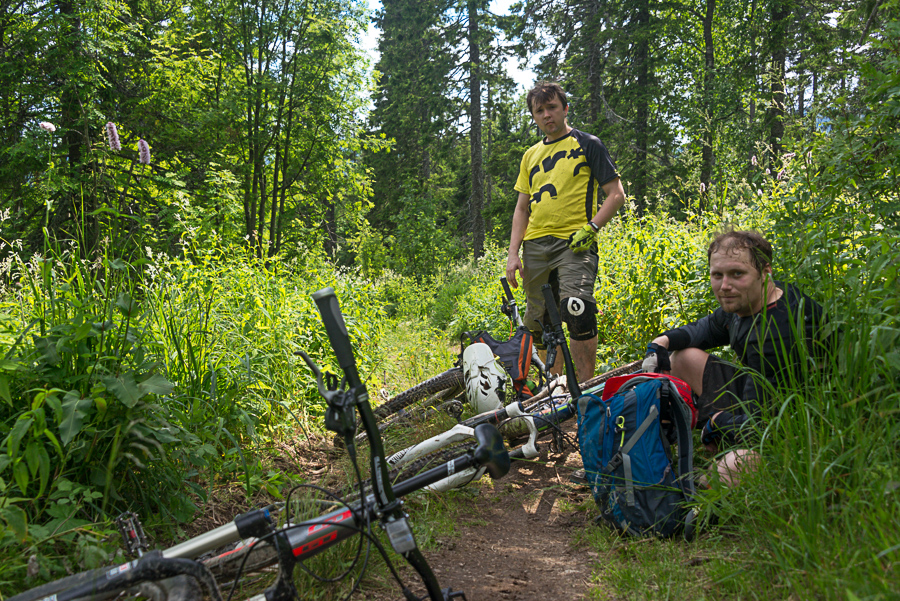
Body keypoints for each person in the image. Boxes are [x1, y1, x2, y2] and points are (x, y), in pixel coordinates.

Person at [641, 230, 832, 486]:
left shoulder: (777, 332)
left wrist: (718, 423)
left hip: (796, 427)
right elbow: (706, 328)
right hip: (763, 397)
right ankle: (681, 449)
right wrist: (661, 342)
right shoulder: (750, 301)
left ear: (765, 272)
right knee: (682, 356)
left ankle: (703, 486)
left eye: (737, 274)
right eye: (717, 275)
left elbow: (764, 424)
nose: (724, 286)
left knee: (734, 467)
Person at [506, 82, 626, 383]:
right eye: (540, 110)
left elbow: (616, 194)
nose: (547, 115)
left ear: (565, 109)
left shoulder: (588, 144)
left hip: (574, 243)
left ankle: (585, 391)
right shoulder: (530, 156)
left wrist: (593, 227)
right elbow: (521, 209)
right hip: (535, 247)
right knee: (542, 323)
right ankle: (555, 389)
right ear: (534, 117)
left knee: (577, 309)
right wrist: (512, 254)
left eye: (552, 108)